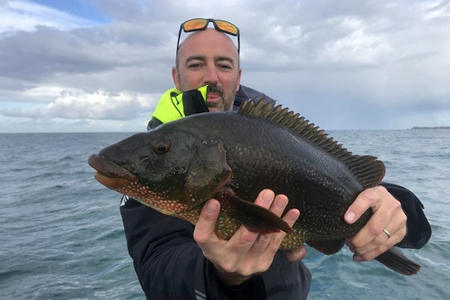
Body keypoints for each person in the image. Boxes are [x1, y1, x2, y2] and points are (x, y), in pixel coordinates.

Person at [120, 18, 431, 299]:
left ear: (238, 77)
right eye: (196, 64)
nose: (211, 76)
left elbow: (333, 184)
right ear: (177, 76)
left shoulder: (271, 134)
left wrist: (396, 208)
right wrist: (222, 277)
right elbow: (159, 272)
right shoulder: (152, 161)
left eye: (224, 66)